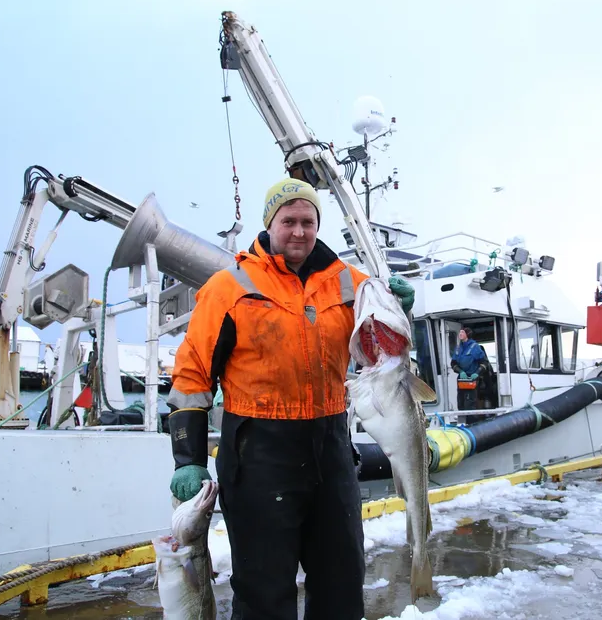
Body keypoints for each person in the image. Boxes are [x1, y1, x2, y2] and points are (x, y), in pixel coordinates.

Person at [165, 177, 415, 620]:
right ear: (269, 223)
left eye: (308, 221)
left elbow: (383, 341)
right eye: (289, 221)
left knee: (341, 581)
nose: (299, 231)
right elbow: (192, 374)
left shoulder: (348, 282)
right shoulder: (228, 288)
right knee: (264, 589)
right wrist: (187, 457)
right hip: (259, 453)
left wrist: (400, 305)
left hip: (330, 450)